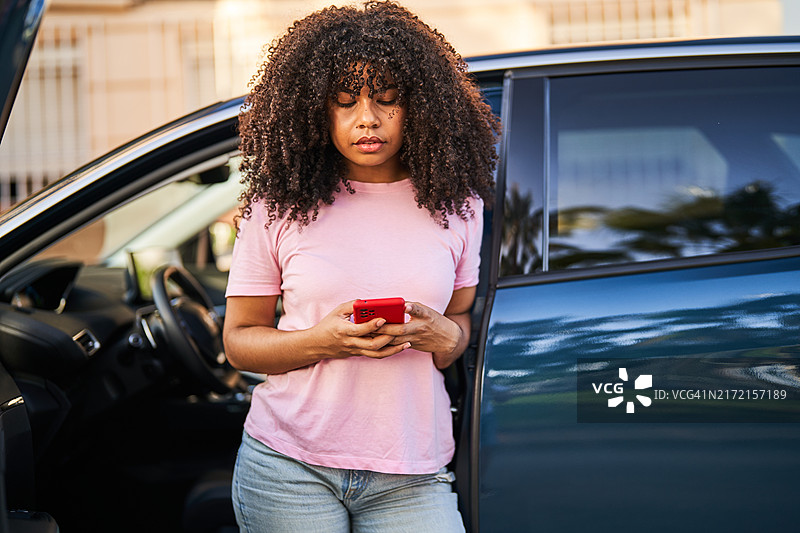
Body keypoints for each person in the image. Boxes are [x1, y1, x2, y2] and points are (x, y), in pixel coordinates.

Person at [222, 1, 499, 531]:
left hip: (411, 472)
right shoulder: (276, 206)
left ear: (418, 105)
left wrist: (444, 337)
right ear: (314, 110)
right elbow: (239, 342)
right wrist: (325, 341)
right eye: (344, 102)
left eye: (387, 99)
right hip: (289, 465)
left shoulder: (459, 205)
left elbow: (459, 323)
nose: (367, 118)